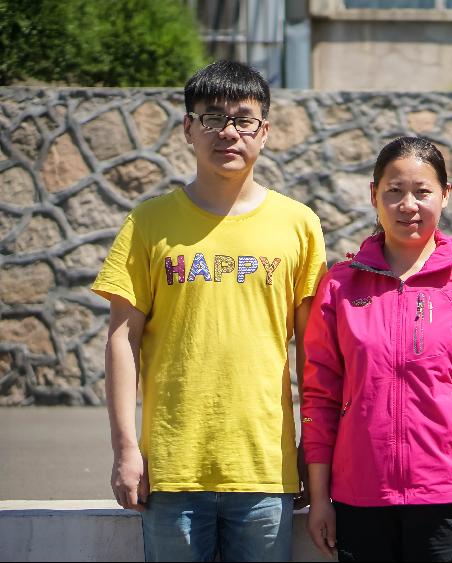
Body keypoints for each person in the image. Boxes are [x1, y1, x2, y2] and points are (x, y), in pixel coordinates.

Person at [92, 60, 328, 562]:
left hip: (265, 469)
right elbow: (121, 340)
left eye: (244, 119)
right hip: (172, 469)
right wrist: (126, 449)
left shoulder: (299, 225)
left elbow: (313, 354)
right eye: (212, 118)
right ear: (187, 128)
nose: (228, 132)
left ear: (265, 132)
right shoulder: (148, 222)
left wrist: (313, 450)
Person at [301, 136, 452, 562]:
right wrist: (320, 497)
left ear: (445, 194)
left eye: (422, 192)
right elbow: (320, 395)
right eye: (394, 191)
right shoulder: (341, 285)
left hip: (449, 498)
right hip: (359, 497)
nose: (408, 205)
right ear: (373, 195)